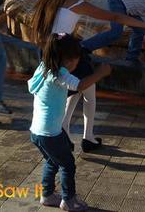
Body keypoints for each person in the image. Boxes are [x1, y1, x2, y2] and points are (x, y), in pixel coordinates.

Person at [30, 0, 145, 152]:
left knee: (78, 90)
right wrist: (144, 25)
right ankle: (85, 137)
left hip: (50, 52)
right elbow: (114, 16)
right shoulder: (76, 3)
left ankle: (69, 131)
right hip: (65, 56)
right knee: (86, 90)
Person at [29, 33, 111, 211]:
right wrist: (100, 73)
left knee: (52, 161)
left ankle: (47, 195)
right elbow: (81, 85)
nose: (76, 65)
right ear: (67, 61)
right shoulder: (60, 74)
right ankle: (68, 200)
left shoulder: (43, 67)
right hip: (51, 133)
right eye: (76, 61)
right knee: (67, 164)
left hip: (37, 131)